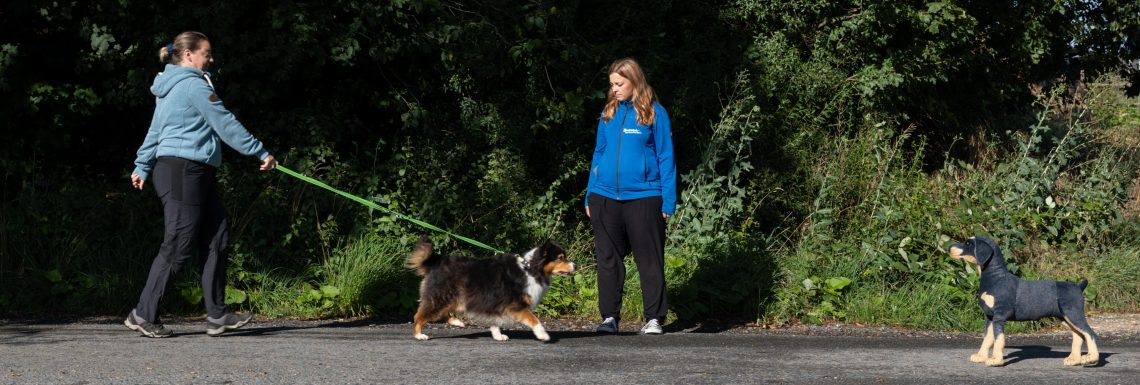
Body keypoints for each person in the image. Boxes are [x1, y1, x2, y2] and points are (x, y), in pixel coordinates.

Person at [126, 31, 278, 338]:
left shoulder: (173, 87)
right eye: (206, 53)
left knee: (217, 237)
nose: (211, 58)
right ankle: (143, 313)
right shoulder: (192, 85)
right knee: (179, 243)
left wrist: (142, 165)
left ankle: (218, 315)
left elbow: (156, 129)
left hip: (195, 171)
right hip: (182, 171)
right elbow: (225, 122)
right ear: (188, 55)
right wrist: (260, 151)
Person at [584, 58, 677, 335]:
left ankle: (654, 318)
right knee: (608, 259)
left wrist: (668, 200)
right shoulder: (608, 113)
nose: (614, 89)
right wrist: (590, 193)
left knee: (648, 258)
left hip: (645, 197)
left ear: (635, 81)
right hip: (605, 197)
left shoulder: (655, 113)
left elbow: (666, 157)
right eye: (612, 84)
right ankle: (609, 317)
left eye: (619, 84)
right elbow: (599, 153)